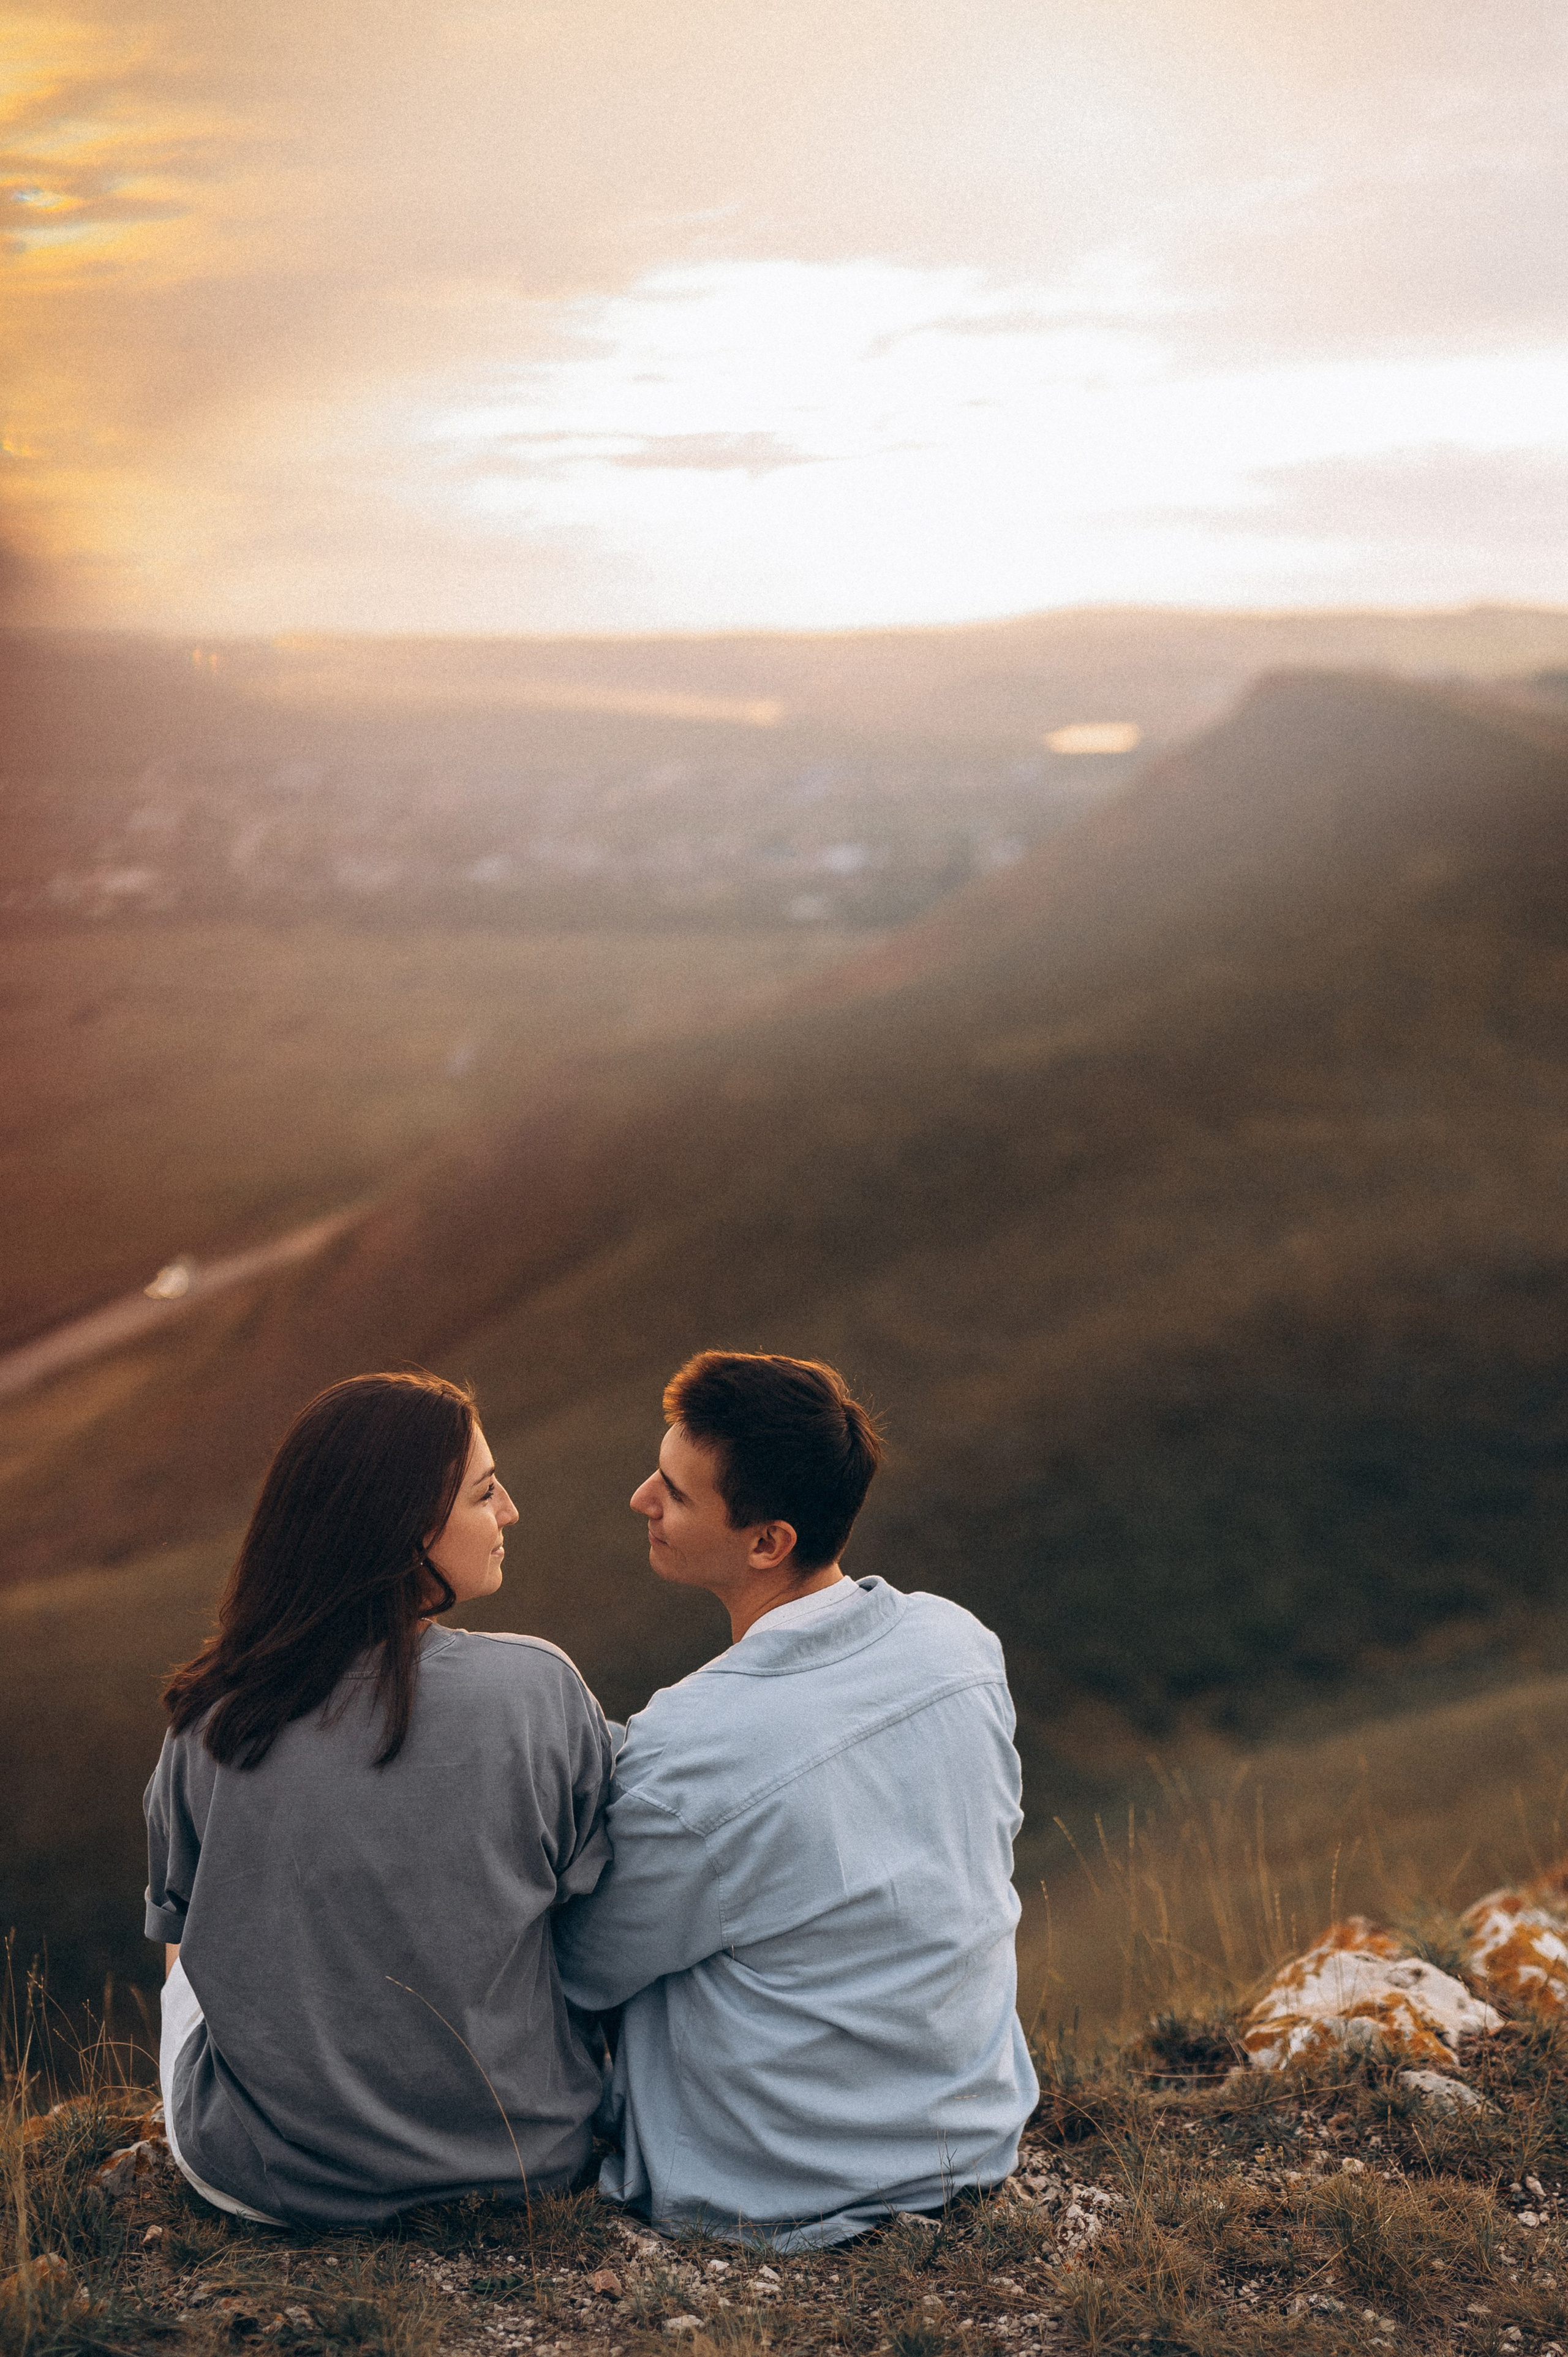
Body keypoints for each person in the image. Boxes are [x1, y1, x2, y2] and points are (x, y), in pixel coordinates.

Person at [554, 1349, 1038, 2249]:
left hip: (771, 2177)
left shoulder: (694, 1745)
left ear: (768, 1541)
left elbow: (584, 1965)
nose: (640, 1499)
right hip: (966, 2137)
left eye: (675, 1491)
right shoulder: (961, 1647)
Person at [145, 1370, 614, 2228]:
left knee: (186, 1950)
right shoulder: (539, 1690)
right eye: (484, 1494)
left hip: (270, 2179)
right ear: (407, 1535)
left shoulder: (209, 1723)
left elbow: (181, 1941)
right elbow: (600, 1918)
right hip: (527, 2156)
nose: (509, 1511)